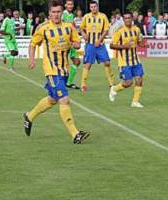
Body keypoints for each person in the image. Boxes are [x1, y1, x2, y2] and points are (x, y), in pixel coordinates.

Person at [24, 0, 90, 144]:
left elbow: (77, 43)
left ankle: (29, 116)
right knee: (64, 99)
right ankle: (75, 134)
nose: (56, 15)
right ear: (49, 13)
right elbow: (33, 44)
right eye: (53, 12)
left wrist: (76, 44)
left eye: (58, 12)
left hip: (64, 70)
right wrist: (32, 59)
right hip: (51, 70)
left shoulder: (68, 27)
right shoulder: (43, 28)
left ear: (62, 12)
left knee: (52, 99)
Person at [109, 11, 146, 108]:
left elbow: (139, 41)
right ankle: (114, 89)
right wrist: (124, 46)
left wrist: (144, 45)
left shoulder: (136, 29)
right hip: (124, 62)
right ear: (123, 20)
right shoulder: (119, 31)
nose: (128, 20)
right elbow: (112, 45)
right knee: (129, 83)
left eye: (129, 18)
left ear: (132, 19)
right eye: (125, 18)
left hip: (136, 60)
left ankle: (135, 102)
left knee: (139, 80)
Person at [79, 0, 115, 93]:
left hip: (100, 45)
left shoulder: (103, 16)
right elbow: (81, 27)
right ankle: (83, 84)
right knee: (88, 64)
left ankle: (112, 83)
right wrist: (83, 34)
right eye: (91, 7)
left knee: (107, 62)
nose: (93, 8)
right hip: (90, 45)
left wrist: (99, 40)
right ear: (90, 8)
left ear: (97, 7)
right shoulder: (86, 17)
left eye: (94, 6)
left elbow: (106, 30)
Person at [62, 0, 81, 90]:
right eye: (68, 4)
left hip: (71, 42)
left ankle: (69, 83)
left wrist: (77, 38)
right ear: (65, 5)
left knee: (77, 61)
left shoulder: (72, 15)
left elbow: (73, 27)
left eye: (71, 4)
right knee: (62, 63)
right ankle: (60, 82)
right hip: (64, 42)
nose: (70, 6)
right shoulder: (62, 14)